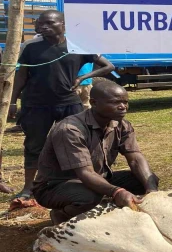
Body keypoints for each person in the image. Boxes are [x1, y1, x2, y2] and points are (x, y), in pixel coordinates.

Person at [9, 10, 115, 200]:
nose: (43, 27)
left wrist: (83, 76)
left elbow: (108, 66)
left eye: (49, 23)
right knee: (34, 145)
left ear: (63, 25)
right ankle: (28, 188)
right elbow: (22, 75)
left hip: (69, 103)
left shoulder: (78, 45)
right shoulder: (30, 46)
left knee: (78, 143)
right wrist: (13, 102)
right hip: (36, 105)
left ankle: (84, 182)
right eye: (40, 23)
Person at [32, 81, 159, 224]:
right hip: (55, 186)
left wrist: (151, 189)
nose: (123, 107)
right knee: (89, 197)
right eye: (116, 102)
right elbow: (85, 173)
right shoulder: (70, 130)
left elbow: (135, 158)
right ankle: (62, 215)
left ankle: (104, 210)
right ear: (93, 103)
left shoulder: (121, 125)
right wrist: (117, 192)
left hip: (96, 178)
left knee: (146, 179)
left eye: (125, 102)